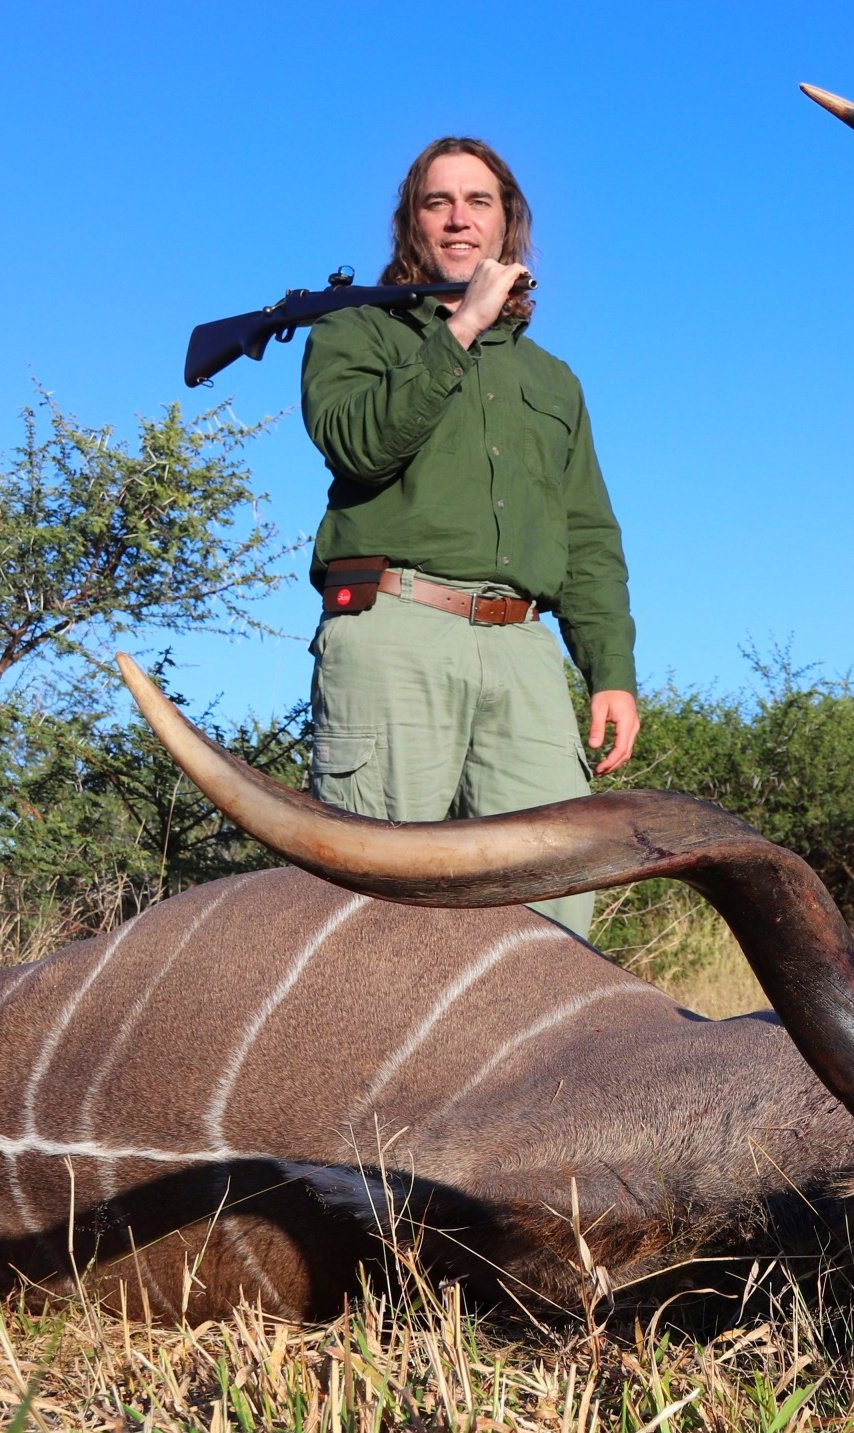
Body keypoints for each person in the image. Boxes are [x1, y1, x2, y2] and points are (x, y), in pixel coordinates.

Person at [300, 137, 638, 940]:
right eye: (438, 202)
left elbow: (587, 530)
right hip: (396, 628)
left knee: (554, 910)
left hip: (524, 650)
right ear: (411, 223)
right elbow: (359, 445)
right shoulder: (354, 329)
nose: (459, 219)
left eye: (478, 201)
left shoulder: (554, 379)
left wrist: (610, 672)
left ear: (507, 223)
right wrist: (459, 328)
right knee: (377, 913)